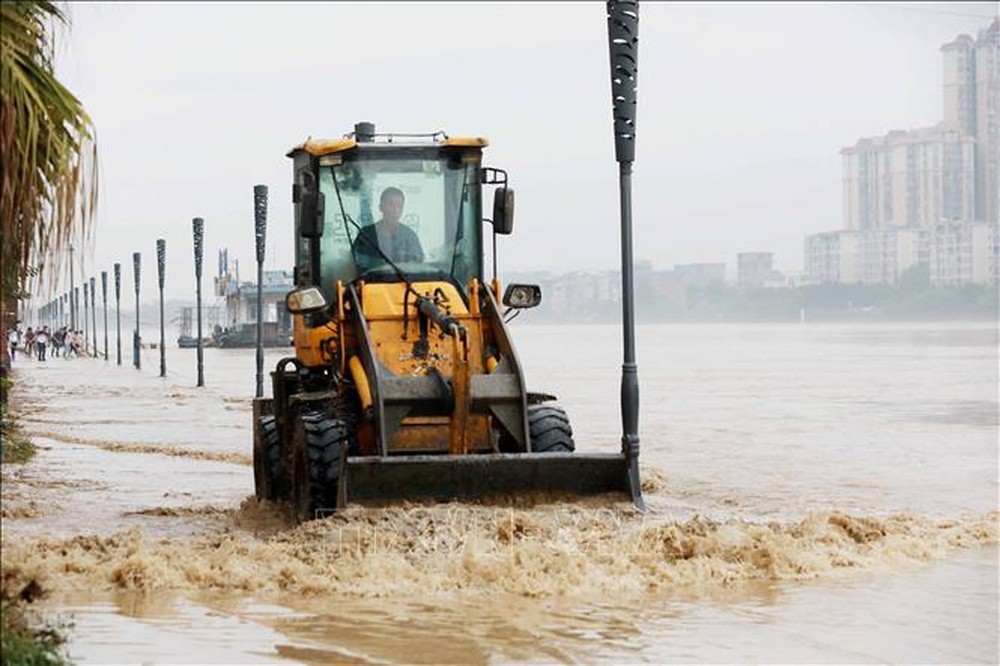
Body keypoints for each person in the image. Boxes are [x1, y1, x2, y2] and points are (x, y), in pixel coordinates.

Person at [352, 186, 424, 270]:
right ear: (380, 207)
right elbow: (356, 264)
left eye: (399, 206)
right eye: (391, 205)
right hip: (373, 281)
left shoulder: (409, 236)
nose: (395, 210)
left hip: (404, 282)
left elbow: (417, 264)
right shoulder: (366, 235)